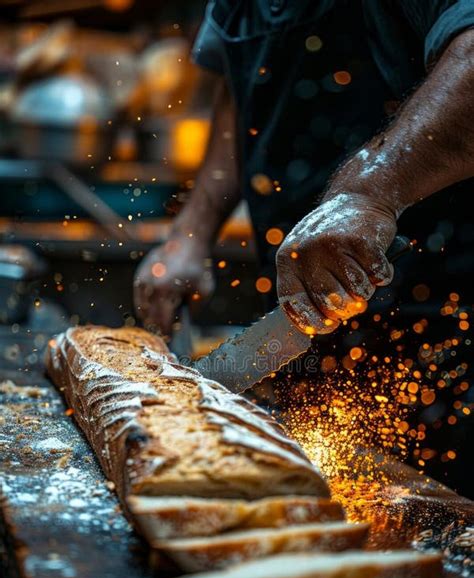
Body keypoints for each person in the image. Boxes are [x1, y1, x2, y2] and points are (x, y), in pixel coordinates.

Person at [134, 1, 474, 496]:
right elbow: (242, 91)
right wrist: (190, 234)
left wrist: (369, 192)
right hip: (314, 329)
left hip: (442, 331)